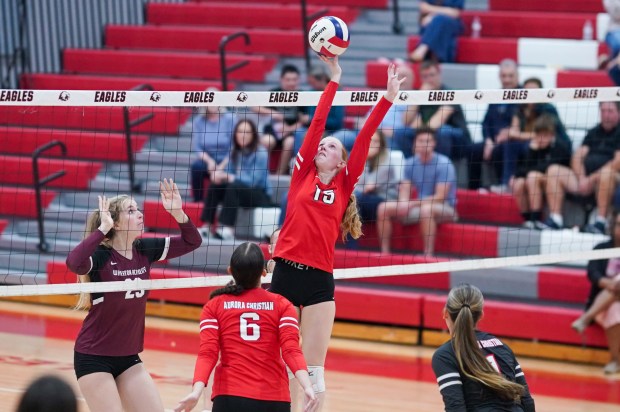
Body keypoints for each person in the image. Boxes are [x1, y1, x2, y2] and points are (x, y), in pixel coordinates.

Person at [270, 56, 404, 411]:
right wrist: (334, 79)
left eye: (330, 146)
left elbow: (364, 138)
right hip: (283, 274)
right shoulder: (301, 173)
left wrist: (387, 98)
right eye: (321, 145)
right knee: (279, 362)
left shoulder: (344, 184)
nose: (322, 146)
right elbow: (315, 124)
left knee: (313, 370)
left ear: (342, 163)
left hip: (318, 281)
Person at [66, 179, 202, 412]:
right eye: (131, 211)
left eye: (137, 209)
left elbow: (193, 241)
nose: (139, 214)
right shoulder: (101, 257)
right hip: (93, 357)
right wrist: (101, 230)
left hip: (129, 357)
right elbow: (74, 263)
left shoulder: (144, 250)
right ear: (115, 224)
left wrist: (178, 213)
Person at [174, 242, 318, 412]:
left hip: (229, 398)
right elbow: (291, 350)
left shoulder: (215, 306)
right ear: (264, 273)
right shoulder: (282, 305)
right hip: (273, 399)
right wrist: (307, 386)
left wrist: (196, 392)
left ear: (230, 271)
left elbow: (208, 353)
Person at [432, 283, 536, 411]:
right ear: (481, 314)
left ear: (446, 313)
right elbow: (527, 402)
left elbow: (456, 408)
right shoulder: (503, 347)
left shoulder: (446, 354)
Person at [376, 127, 457, 256]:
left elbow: (440, 197)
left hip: (445, 207)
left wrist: (412, 203)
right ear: (415, 143)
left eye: (428, 141)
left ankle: (427, 254)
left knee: (427, 210)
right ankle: (384, 253)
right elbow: (405, 188)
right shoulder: (410, 163)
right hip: (420, 205)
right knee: (383, 207)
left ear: (434, 143)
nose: (425, 144)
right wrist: (403, 202)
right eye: (421, 141)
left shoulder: (444, 164)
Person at [545, 102, 620, 232]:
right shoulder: (594, 132)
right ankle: (555, 219)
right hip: (585, 180)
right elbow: (578, 156)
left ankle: (600, 223)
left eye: (610, 111)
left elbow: (618, 161)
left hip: (609, 180)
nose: (606, 115)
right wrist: (581, 178)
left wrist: (591, 179)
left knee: (606, 174)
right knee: (554, 171)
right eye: (603, 111)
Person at [199, 119, 273, 240]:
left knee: (233, 186)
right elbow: (228, 173)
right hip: (239, 191)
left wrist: (229, 177)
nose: (243, 135)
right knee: (216, 185)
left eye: (247, 132)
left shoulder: (261, 153)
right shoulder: (235, 151)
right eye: (240, 132)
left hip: (260, 195)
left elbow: (254, 181)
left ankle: (227, 228)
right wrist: (219, 176)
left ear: (253, 135)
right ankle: (207, 226)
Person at [570, 210, 620, 374]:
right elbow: (593, 273)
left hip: (602, 305)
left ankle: (586, 318)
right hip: (603, 304)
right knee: (615, 312)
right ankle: (615, 360)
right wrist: (608, 283)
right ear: (613, 226)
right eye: (619, 224)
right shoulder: (602, 248)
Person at [395, 59, 471, 162]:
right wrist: (419, 97)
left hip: (457, 139)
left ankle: (442, 168)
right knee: (401, 133)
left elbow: (436, 122)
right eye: (425, 77)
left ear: (439, 74)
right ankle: (413, 166)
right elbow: (405, 121)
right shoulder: (422, 94)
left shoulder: (449, 93)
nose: (429, 79)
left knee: (442, 131)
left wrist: (419, 140)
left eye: (432, 75)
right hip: (430, 133)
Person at [503, 77, 570, 194]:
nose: (530, 94)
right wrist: (520, 134)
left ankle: (516, 178)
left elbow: (546, 135)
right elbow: (513, 132)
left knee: (528, 147)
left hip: (551, 147)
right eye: (527, 91)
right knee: (509, 145)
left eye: (534, 91)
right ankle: (507, 183)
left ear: (541, 92)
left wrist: (520, 135)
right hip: (533, 142)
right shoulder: (520, 108)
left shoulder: (548, 108)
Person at [510, 115, 571, 229]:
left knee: (532, 176)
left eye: (545, 135)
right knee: (518, 183)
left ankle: (535, 218)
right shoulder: (533, 147)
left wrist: (525, 172)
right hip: (537, 180)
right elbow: (521, 169)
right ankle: (528, 220)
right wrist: (532, 152)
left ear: (552, 135)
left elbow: (545, 167)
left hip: (557, 182)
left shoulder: (560, 146)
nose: (541, 139)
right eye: (539, 135)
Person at [468, 58, 519, 190]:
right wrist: (488, 140)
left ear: (517, 76)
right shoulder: (496, 95)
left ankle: (501, 185)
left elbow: (522, 123)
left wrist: (506, 136)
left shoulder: (523, 95)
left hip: (512, 141)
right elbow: (486, 123)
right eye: (503, 76)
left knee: (502, 149)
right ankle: (474, 189)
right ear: (499, 76)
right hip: (493, 140)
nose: (507, 79)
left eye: (510, 76)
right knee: (472, 149)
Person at [349, 129, 405, 249]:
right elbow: (354, 184)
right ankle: (351, 247)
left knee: (353, 200)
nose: (372, 145)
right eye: (370, 142)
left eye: (375, 142)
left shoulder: (387, 162)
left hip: (384, 200)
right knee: (352, 201)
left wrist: (365, 158)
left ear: (381, 144)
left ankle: (352, 247)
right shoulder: (362, 159)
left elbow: (368, 187)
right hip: (365, 200)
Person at [255, 64, 307, 175]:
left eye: (294, 80)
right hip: (273, 130)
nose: (291, 83)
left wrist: (289, 129)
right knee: (267, 141)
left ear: (298, 80)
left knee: (290, 142)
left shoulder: (302, 95)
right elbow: (254, 107)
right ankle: (261, 172)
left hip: (291, 132)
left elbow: (305, 119)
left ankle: (279, 175)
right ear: (281, 80)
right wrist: (273, 113)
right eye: (288, 80)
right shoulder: (274, 93)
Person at [189, 104, 236, 202]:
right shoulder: (199, 120)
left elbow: (235, 146)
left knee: (229, 171)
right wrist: (210, 161)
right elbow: (198, 148)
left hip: (227, 158)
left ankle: (226, 203)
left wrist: (221, 166)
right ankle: (198, 201)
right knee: (197, 167)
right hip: (208, 159)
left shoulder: (230, 118)